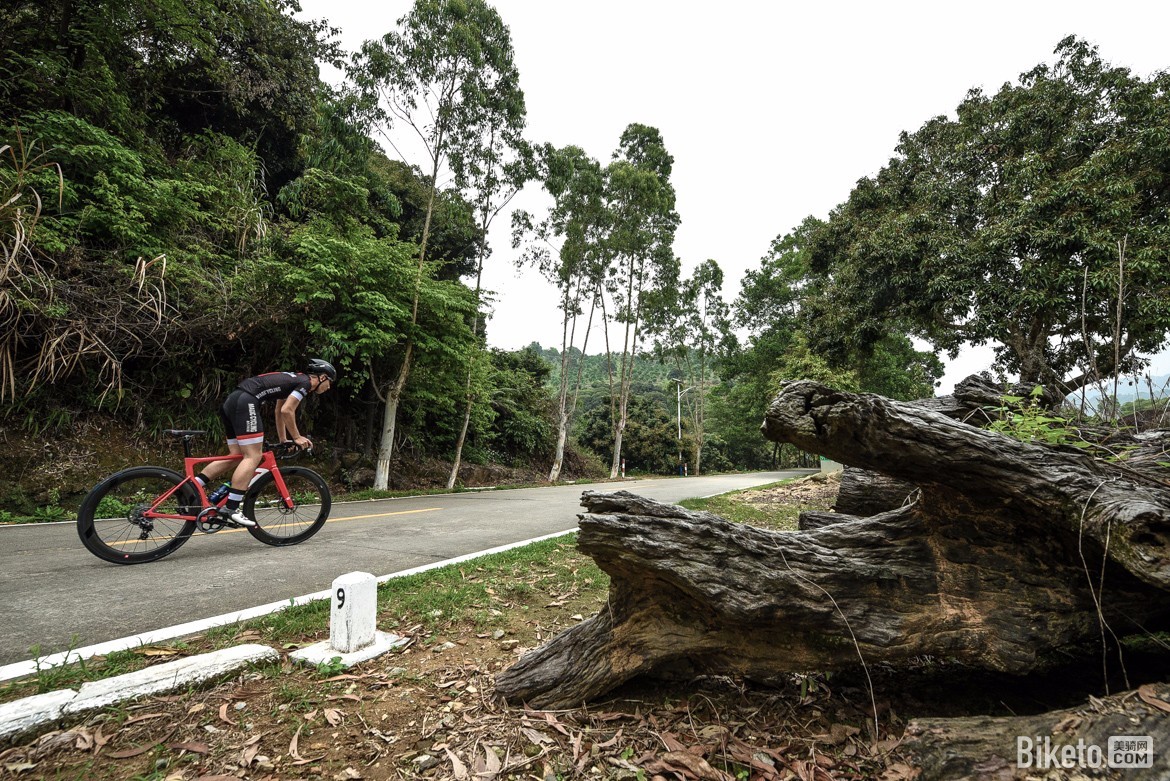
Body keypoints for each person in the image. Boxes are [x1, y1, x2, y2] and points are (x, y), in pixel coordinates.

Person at [195, 358, 336, 526]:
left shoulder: (294, 380)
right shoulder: (305, 383)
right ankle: (231, 508)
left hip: (233, 401)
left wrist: (284, 439)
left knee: (237, 455)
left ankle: (192, 487)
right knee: (253, 456)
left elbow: (279, 411)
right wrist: (297, 437)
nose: (329, 387)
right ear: (322, 377)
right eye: (330, 382)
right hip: (247, 402)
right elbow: (287, 410)